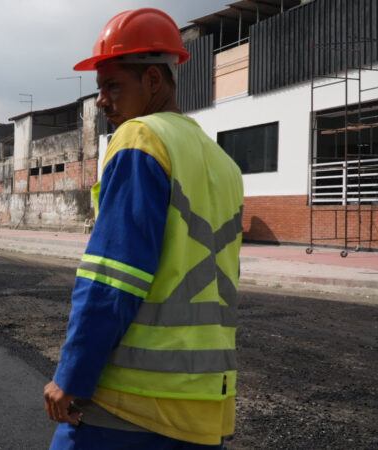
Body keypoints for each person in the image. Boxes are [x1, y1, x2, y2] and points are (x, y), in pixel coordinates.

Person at [43, 9, 244, 449]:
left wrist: (72, 375)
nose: (101, 100)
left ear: (154, 80)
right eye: (100, 88)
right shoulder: (223, 164)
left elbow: (113, 277)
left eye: (113, 85)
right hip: (204, 410)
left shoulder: (141, 139)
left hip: (131, 406)